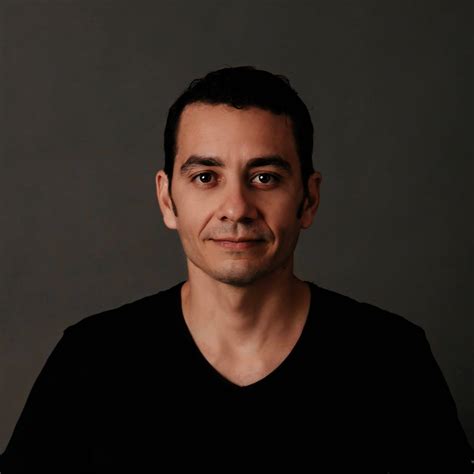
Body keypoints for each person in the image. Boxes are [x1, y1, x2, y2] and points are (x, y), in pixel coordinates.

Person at [1, 66, 472, 473]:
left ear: (309, 199)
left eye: (265, 178)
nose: (236, 207)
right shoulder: (91, 361)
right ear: (167, 199)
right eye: (206, 177)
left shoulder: (391, 360)